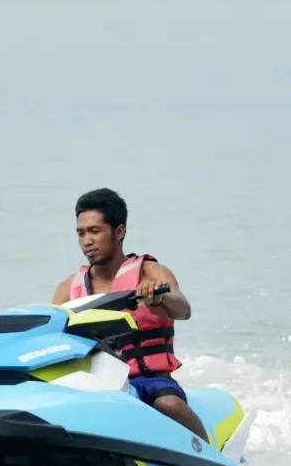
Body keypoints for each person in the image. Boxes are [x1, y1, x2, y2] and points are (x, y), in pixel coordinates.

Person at [51, 187, 208, 441]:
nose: (86, 241)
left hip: (148, 379)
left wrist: (160, 295)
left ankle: (213, 462)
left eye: (94, 231)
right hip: (95, 382)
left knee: (169, 405)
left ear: (119, 232)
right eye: (80, 233)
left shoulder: (150, 272)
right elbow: (52, 332)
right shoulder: (69, 288)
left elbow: (183, 309)